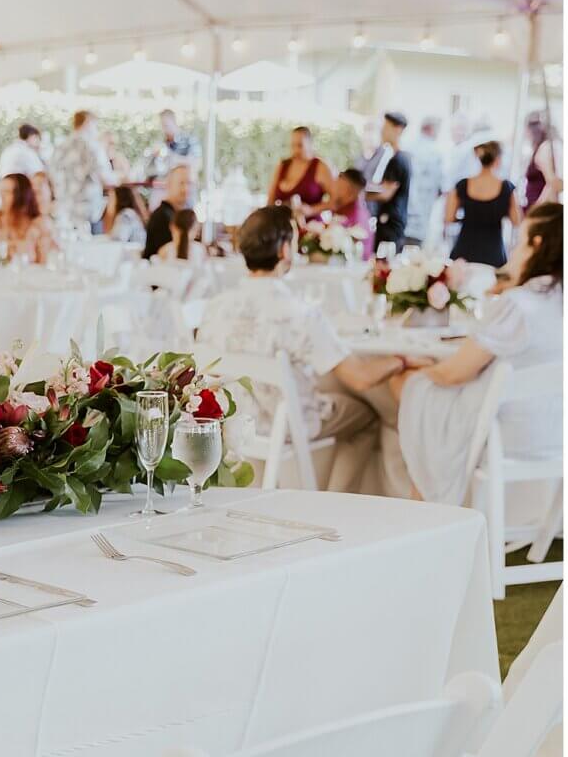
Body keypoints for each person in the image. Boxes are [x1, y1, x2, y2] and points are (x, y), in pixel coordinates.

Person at [194, 203, 412, 490]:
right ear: (284, 250)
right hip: (284, 424)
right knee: (367, 415)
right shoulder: (299, 313)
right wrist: (400, 361)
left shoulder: (215, 307)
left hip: (234, 422)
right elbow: (360, 378)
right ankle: (336, 498)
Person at [388, 201, 562, 503]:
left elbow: (454, 373)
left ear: (537, 245)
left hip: (508, 434)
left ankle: (418, 505)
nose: (516, 250)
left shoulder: (518, 304)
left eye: (520, 241)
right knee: (422, 392)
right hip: (557, 433)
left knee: (406, 384)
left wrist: (421, 368)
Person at [444, 140, 520, 271]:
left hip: (464, 250)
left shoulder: (462, 185)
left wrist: (466, 218)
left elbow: (449, 218)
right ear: (498, 159)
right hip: (493, 252)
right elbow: (516, 221)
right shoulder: (507, 188)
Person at [52, 109, 114, 233]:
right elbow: (106, 178)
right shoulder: (93, 146)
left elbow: (53, 175)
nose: (96, 129)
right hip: (88, 210)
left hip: (65, 210)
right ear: (87, 122)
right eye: (95, 125)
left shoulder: (61, 146)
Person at [364, 109, 412, 252]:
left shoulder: (398, 160)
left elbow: (386, 193)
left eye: (385, 128)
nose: (382, 132)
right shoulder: (393, 157)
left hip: (391, 224)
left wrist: (360, 193)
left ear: (398, 129)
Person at [0, 172, 55, 263]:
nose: (1, 197)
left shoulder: (39, 226)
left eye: (7, 192)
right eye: (0, 192)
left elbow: (45, 265)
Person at [266, 126, 333, 218]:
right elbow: (270, 199)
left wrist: (312, 210)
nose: (295, 150)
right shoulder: (282, 165)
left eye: (300, 145)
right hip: (282, 227)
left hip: (310, 228)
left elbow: (335, 201)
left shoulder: (321, 167)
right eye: (293, 145)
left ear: (310, 144)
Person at [142, 162, 197, 260]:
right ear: (169, 185)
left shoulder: (180, 214)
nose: (186, 188)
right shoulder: (162, 217)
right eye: (181, 183)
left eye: (189, 183)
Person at [405, 116, 446, 245]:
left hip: (403, 218)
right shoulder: (436, 152)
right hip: (420, 220)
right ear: (431, 129)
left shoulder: (407, 147)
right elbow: (442, 187)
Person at [142, 107, 198, 185]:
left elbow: (195, 162)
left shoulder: (189, 139)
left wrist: (172, 158)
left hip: (184, 186)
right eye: (162, 125)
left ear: (174, 122)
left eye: (166, 125)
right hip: (165, 186)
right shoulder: (163, 143)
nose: (164, 129)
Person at [328, 166, 373, 256]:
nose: (334, 185)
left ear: (347, 187)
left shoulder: (355, 213)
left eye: (338, 182)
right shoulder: (343, 207)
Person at [522, 112, 562, 208]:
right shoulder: (540, 149)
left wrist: (538, 207)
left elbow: (554, 183)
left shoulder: (544, 148)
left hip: (541, 210)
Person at [102, 182, 148, 247]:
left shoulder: (125, 215)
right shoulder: (130, 213)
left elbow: (116, 241)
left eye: (110, 197)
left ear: (118, 198)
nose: (108, 202)